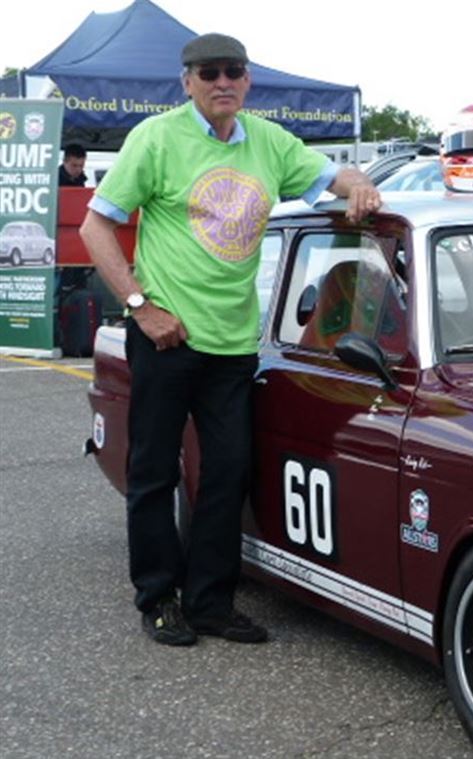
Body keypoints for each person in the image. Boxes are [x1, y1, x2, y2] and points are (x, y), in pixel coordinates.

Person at [79, 32, 380, 647]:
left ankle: (211, 601)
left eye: (234, 72)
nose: (223, 82)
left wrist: (360, 189)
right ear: (186, 81)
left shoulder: (268, 141)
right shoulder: (157, 139)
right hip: (165, 337)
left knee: (228, 471)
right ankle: (159, 598)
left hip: (233, 344)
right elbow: (95, 225)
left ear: (246, 80)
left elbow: (330, 175)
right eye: (209, 72)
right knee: (155, 472)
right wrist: (140, 306)